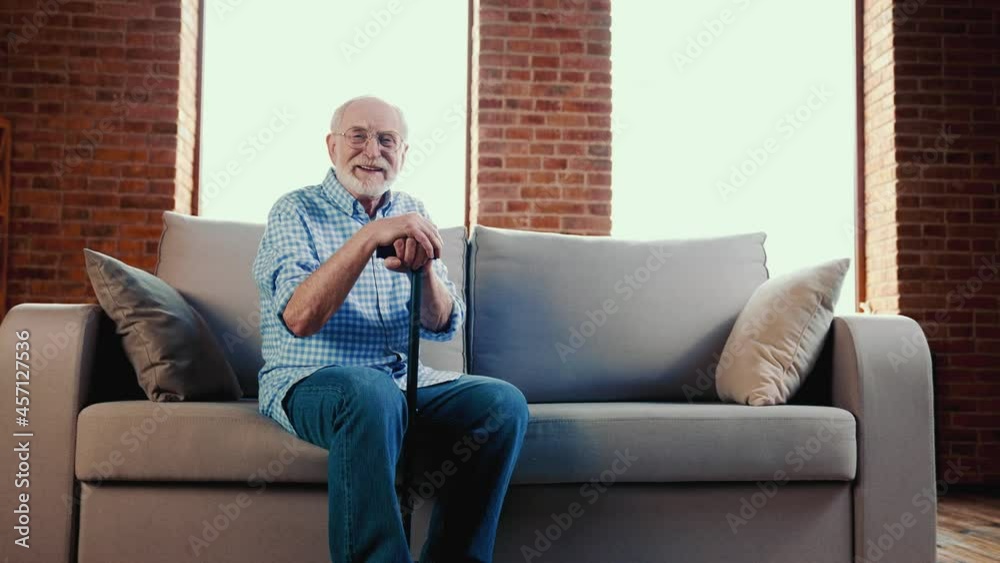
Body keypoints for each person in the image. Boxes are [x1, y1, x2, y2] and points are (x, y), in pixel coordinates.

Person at [252, 95, 530, 563]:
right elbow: (299, 318)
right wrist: (367, 237)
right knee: (369, 391)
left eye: (386, 140)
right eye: (358, 136)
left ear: (402, 153)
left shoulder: (410, 209)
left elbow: (441, 324)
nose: (372, 151)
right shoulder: (294, 210)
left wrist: (421, 273)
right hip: (309, 382)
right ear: (331, 146)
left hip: (396, 381)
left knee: (501, 404)